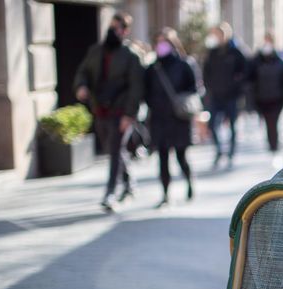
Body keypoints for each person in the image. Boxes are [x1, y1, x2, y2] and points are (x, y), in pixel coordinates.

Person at [73, 12, 144, 211]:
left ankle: (110, 193)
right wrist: (81, 86)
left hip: (120, 112)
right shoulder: (95, 51)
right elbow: (82, 73)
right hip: (100, 110)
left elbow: (136, 88)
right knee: (113, 149)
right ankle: (129, 183)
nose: (113, 31)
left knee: (114, 151)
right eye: (111, 26)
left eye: (117, 27)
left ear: (125, 31)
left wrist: (129, 115)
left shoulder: (131, 56)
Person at [144, 28, 199, 207]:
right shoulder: (153, 67)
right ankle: (165, 194)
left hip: (179, 118)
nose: (161, 46)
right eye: (158, 42)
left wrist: (181, 101)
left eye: (164, 42)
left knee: (181, 156)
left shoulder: (184, 64)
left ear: (172, 43)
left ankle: (190, 182)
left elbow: (194, 88)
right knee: (162, 158)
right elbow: (146, 92)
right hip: (159, 119)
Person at [202, 22, 246, 168]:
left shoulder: (235, 52)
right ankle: (219, 150)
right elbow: (206, 72)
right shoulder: (212, 53)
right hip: (216, 95)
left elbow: (244, 72)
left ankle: (231, 153)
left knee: (232, 125)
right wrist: (210, 88)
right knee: (212, 124)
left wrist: (237, 88)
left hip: (231, 96)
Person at [248, 33, 283, 152]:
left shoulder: (280, 61)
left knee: (273, 123)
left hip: (276, 99)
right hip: (261, 99)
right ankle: (272, 144)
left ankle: (274, 145)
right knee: (268, 123)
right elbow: (250, 80)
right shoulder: (256, 61)